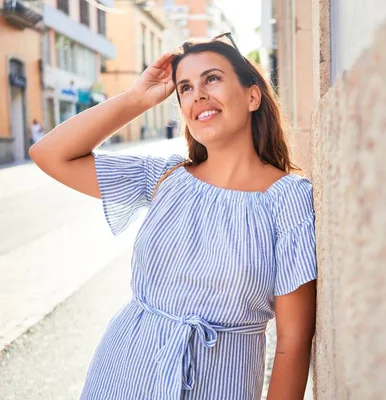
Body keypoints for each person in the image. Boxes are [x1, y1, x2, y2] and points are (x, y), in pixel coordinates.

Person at [29, 33, 317, 400]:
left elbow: (293, 342)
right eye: (185, 87)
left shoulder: (288, 199)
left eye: (212, 78)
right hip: (123, 373)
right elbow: (50, 154)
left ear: (252, 96)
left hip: (221, 384)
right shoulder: (164, 177)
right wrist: (136, 99)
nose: (197, 94)